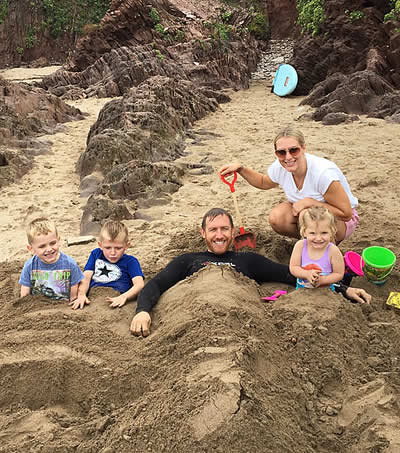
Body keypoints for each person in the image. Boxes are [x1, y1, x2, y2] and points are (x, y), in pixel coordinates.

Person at [130, 208, 370, 337]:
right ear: (203, 233)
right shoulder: (188, 260)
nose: (220, 235)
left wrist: (344, 289)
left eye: (225, 228)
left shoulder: (247, 260)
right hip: (194, 326)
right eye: (213, 229)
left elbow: (291, 275)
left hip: (241, 328)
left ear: (233, 232)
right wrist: (142, 312)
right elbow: (157, 285)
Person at [218, 125, 359, 243]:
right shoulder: (281, 167)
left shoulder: (323, 174)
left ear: (303, 148)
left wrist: (310, 202)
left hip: (342, 222)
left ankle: (323, 253)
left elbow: (346, 213)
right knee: (277, 217)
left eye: (293, 150)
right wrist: (241, 169)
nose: (288, 157)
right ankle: (309, 242)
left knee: (307, 214)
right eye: (281, 152)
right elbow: (263, 182)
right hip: (309, 216)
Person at [74, 220, 144, 310]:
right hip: (94, 297)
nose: (113, 253)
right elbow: (86, 276)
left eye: (118, 248)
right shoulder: (96, 254)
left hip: (118, 299)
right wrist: (81, 294)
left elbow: (139, 284)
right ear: (100, 245)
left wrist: (124, 297)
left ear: (127, 245)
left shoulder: (131, 261)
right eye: (107, 248)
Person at [19, 217, 84, 303]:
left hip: (62, 306)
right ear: (31, 249)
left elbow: (74, 290)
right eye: (42, 246)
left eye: (53, 243)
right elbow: (25, 292)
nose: (49, 249)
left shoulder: (70, 264)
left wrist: (72, 301)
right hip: (38, 308)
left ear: (58, 240)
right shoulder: (30, 266)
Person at [289, 206, 344, 289]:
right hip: (301, 293)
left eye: (324, 233)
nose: (318, 238)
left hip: (326, 294)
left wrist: (323, 280)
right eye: (312, 233)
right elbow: (293, 267)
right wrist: (306, 274)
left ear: (332, 231)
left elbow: (339, 274)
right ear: (304, 232)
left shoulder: (332, 250)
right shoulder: (300, 246)